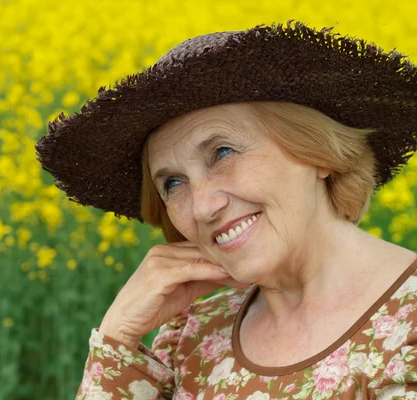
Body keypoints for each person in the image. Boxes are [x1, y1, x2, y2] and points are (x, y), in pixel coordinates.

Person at [35, 21, 417, 399]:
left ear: (319, 153)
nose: (202, 207)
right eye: (172, 183)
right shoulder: (189, 336)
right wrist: (118, 336)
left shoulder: (409, 330)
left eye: (222, 153)